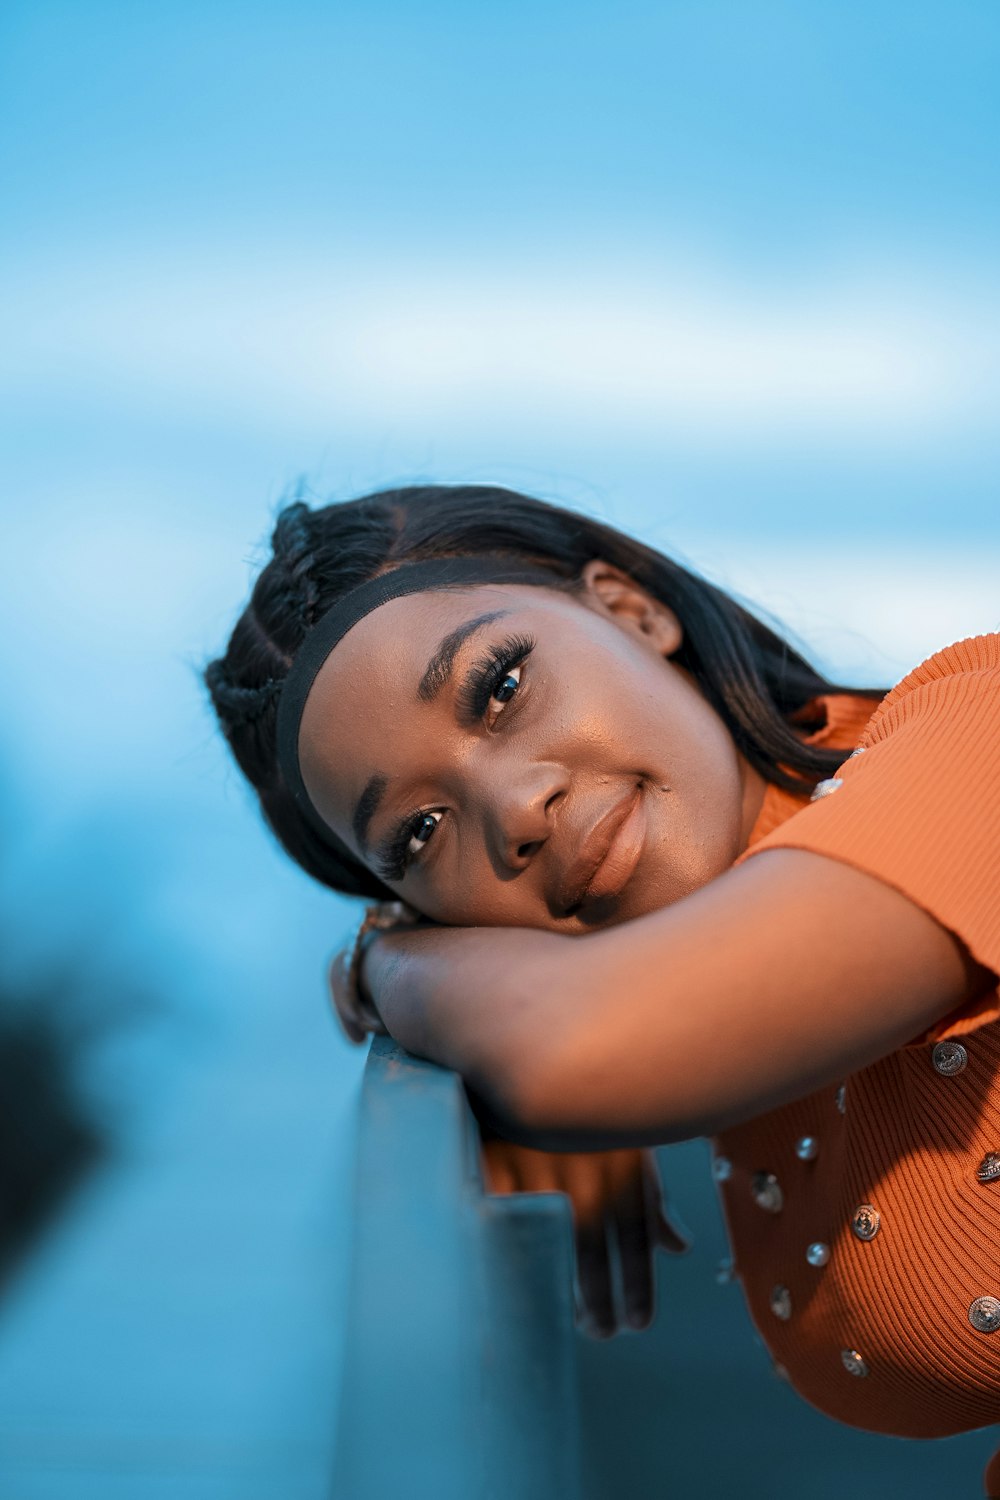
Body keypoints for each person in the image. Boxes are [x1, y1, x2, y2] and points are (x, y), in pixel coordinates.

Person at [205, 484, 1000, 1494]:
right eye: (418, 834)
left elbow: (574, 1047)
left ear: (633, 612)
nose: (512, 810)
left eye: (498, 687)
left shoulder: (977, 729)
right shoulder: (712, 990)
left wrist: (381, 967)